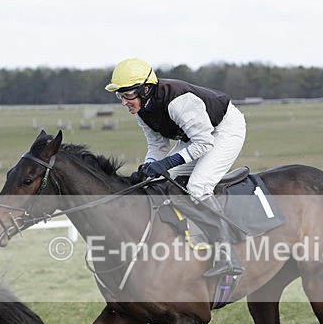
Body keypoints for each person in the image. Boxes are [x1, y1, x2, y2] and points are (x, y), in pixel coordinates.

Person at [105, 58, 247, 278]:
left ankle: (227, 254)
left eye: (127, 95)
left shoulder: (178, 101)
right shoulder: (141, 110)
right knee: (158, 181)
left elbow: (204, 143)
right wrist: (149, 167)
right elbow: (157, 145)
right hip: (195, 137)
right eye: (120, 96)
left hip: (224, 130)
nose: (124, 102)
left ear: (145, 89)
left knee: (198, 186)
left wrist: (167, 163)